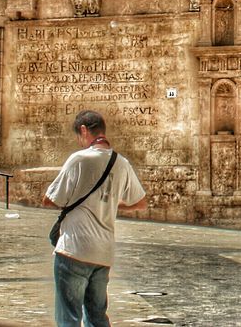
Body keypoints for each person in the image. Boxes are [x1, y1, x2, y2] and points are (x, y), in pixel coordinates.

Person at [44, 110, 148, 327]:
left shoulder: (79, 159)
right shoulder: (122, 163)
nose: (79, 142)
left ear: (84, 131)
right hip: (103, 255)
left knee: (69, 318)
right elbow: (140, 202)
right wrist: (108, 205)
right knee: (97, 317)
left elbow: (50, 200)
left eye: (79, 137)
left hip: (74, 249)